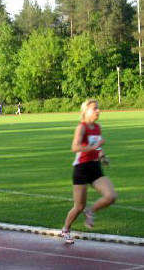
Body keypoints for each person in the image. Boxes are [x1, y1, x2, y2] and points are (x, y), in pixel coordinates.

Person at [61, 99, 116, 244]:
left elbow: (97, 147)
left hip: (95, 167)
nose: (98, 111)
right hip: (82, 168)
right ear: (86, 111)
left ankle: (90, 211)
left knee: (111, 196)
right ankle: (66, 229)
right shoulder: (82, 127)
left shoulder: (97, 127)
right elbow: (75, 147)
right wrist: (95, 146)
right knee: (79, 206)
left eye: (98, 108)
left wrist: (102, 156)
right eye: (95, 108)